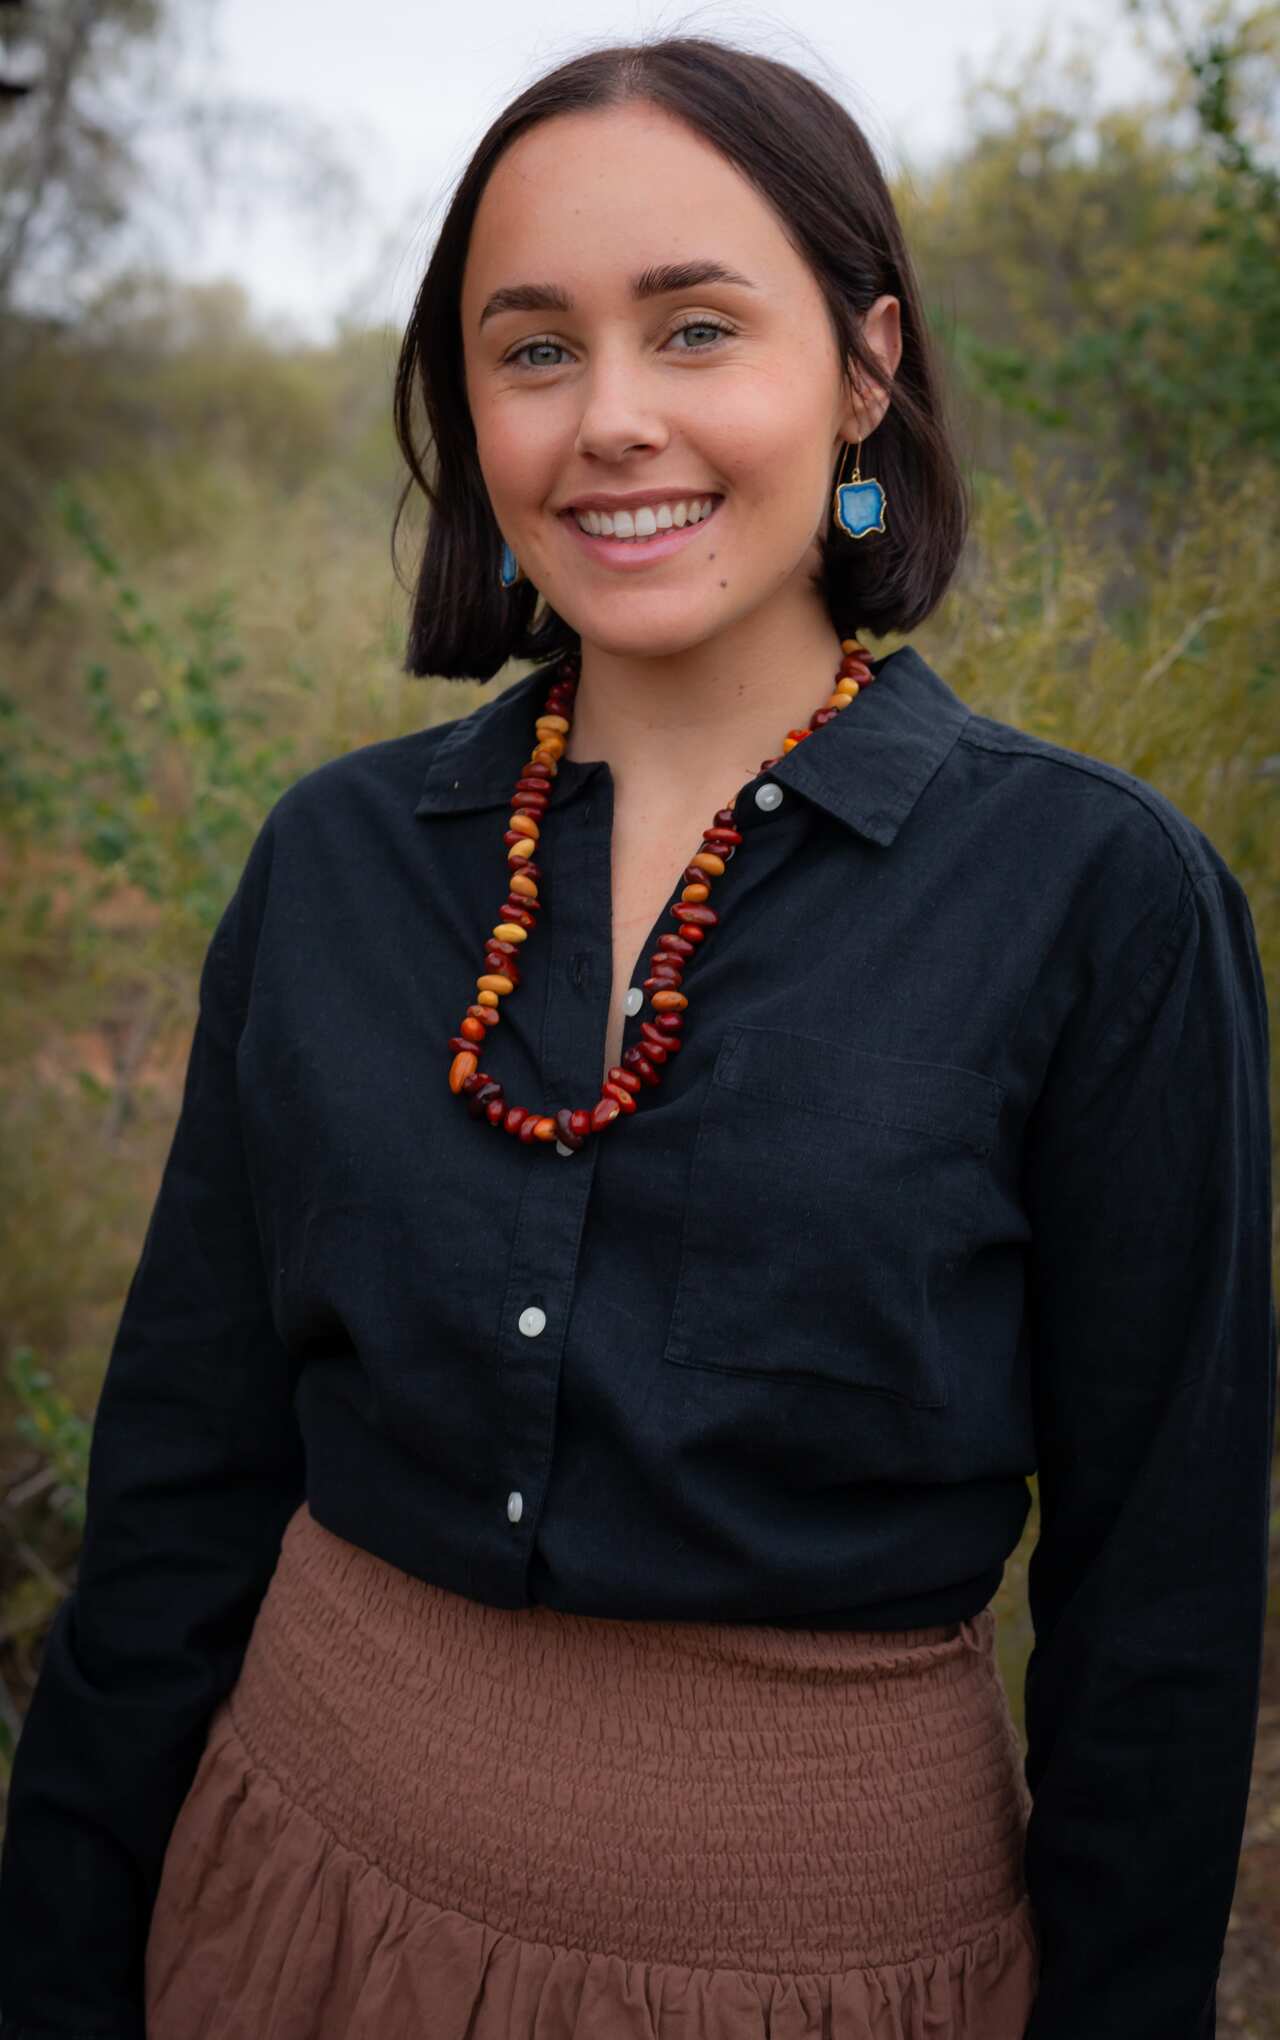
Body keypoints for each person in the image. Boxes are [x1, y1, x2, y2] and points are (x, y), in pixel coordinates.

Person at [0, 31, 1273, 2040]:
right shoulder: (334, 862)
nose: (611, 420)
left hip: (818, 1975)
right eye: (532, 350)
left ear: (862, 369)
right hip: (279, 1919)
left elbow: (1161, 1610)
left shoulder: (1096, 904)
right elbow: (180, 1484)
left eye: (695, 329)